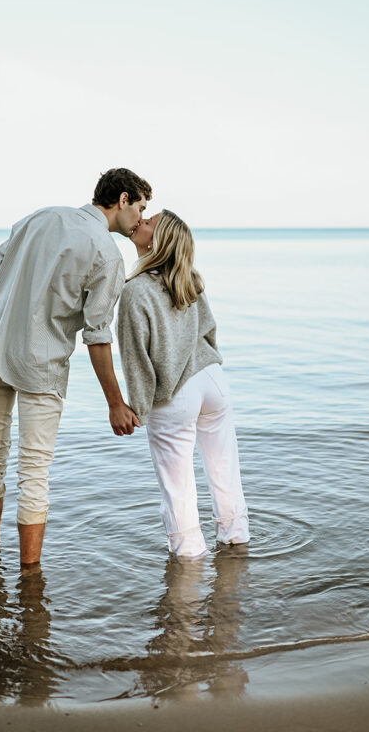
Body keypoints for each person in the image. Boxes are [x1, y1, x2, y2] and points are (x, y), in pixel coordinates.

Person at [0, 168, 152, 570]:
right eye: (139, 206)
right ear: (122, 199)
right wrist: (116, 404)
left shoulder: (41, 216)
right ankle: (30, 577)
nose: (140, 218)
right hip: (39, 364)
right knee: (33, 472)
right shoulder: (106, 253)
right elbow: (98, 336)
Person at [117, 210, 249, 558]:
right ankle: (236, 545)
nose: (140, 223)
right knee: (225, 472)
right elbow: (209, 330)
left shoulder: (135, 291)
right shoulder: (190, 279)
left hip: (176, 391)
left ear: (158, 241)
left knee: (178, 489)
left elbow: (136, 360)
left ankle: (187, 572)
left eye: (149, 222)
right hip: (212, 379)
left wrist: (139, 407)